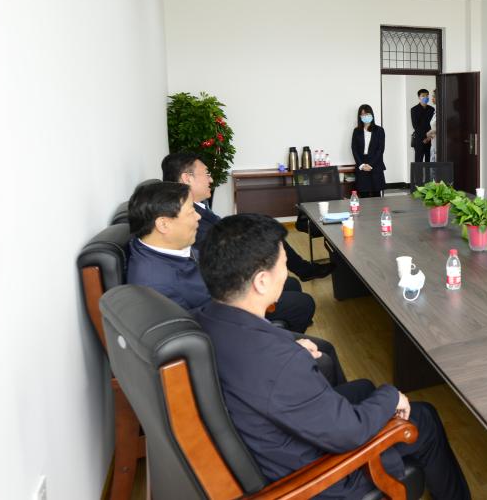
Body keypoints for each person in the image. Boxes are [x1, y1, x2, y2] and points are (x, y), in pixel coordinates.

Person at [193, 213, 471, 499]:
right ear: (261, 281)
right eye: (284, 265)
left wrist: (291, 348)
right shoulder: (280, 363)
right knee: (424, 418)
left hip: (278, 442)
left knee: (364, 388)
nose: (286, 272)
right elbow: (350, 432)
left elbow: (267, 368)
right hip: (322, 476)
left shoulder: (207, 319)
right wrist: (391, 396)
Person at [125, 181, 345, 384]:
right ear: (163, 224)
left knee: (293, 290)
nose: (198, 217)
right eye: (191, 211)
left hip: (227, 313)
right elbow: (204, 336)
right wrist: (277, 344)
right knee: (323, 351)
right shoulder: (156, 283)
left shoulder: (160, 249)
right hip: (232, 342)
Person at [161, 151, 329, 281]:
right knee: (267, 230)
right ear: (187, 178)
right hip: (229, 259)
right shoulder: (185, 215)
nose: (210, 180)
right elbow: (215, 247)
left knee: (265, 224)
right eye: (207, 174)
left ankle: (303, 269)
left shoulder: (193, 203)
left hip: (227, 242)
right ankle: (302, 270)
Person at [351, 104, 386, 198]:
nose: (365, 116)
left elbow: (380, 149)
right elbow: (354, 149)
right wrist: (361, 165)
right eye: (363, 114)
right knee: (363, 195)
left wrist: (370, 165)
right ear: (360, 116)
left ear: (372, 115)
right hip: (362, 165)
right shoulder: (356, 131)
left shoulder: (379, 130)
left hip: (375, 164)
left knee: (376, 195)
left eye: (367, 114)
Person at [410, 88, 434, 163]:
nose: (425, 97)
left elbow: (433, 125)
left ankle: (428, 172)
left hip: (430, 139)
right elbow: (415, 126)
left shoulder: (431, 109)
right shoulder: (414, 109)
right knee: (418, 162)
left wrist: (428, 138)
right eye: (423, 96)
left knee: (429, 161)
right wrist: (424, 136)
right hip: (419, 139)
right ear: (419, 97)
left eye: (427, 95)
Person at [426, 88, 438, 162]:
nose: (432, 98)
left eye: (434, 96)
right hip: (433, 143)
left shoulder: (443, 112)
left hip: (438, 145)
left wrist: (431, 132)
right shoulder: (435, 111)